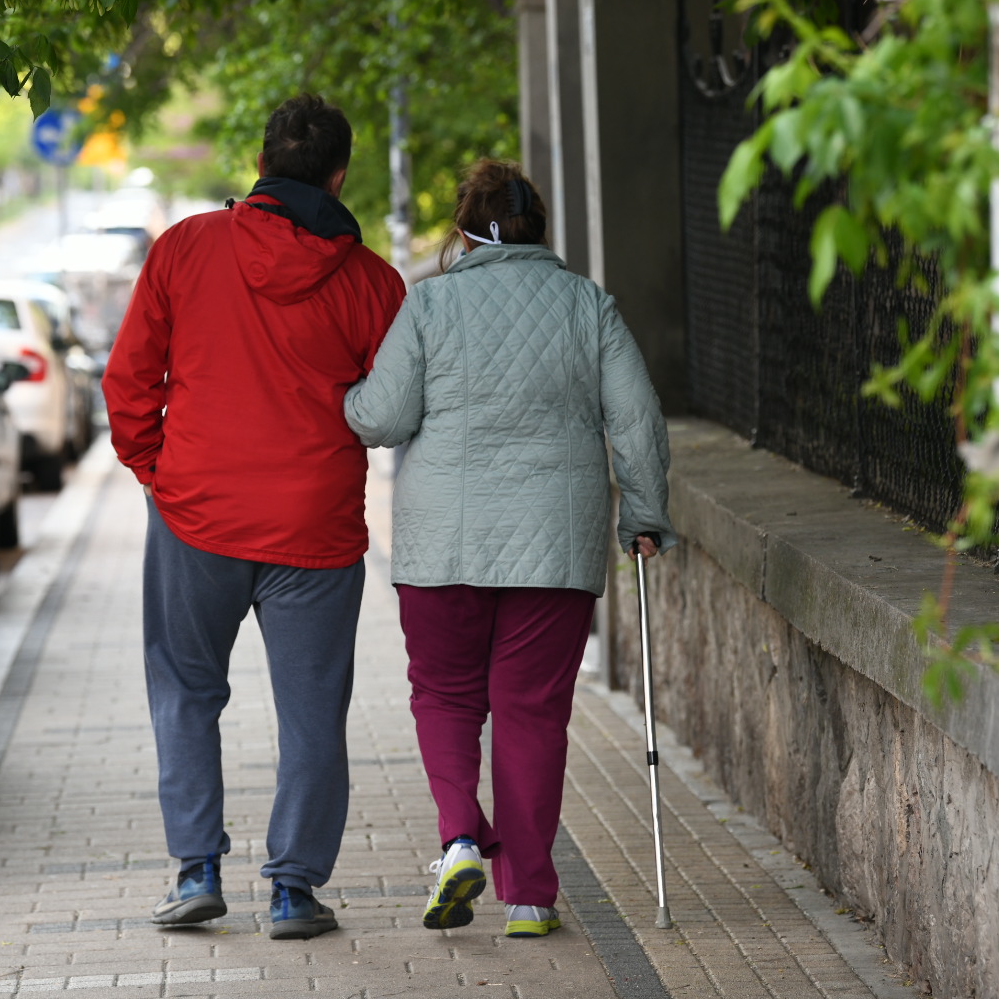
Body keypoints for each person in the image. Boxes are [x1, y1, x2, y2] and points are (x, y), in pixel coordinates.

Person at [343, 158, 676, 939]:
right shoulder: (587, 305)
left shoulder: (429, 305)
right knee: (531, 712)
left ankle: (460, 837)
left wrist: (348, 397)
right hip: (554, 544)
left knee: (446, 695)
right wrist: (644, 518)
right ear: (540, 230)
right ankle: (527, 895)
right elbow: (637, 419)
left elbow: (381, 419)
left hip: (440, 545)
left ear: (462, 233)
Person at [103, 94, 406, 940]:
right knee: (313, 709)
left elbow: (129, 381)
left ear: (263, 161)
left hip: (197, 513)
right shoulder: (373, 283)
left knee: (186, 691)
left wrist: (156, 472)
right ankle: (293, 890)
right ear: (339, 175)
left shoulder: (186, 250)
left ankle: (197, 869)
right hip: (314, 525)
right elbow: (392, 406)